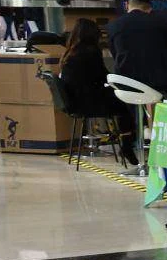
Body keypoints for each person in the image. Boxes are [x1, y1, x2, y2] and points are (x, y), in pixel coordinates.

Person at [58, 18, 139, 167]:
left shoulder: (70, 52)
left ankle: (125, 141)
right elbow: (103, 76)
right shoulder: (91, 52)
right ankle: (127, 143)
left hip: (75, 101)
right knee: (125, 104)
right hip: (89, 102)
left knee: (119, 101)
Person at [106, 0, 167, 95]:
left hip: (128, 85)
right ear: (150, 8)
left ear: (126, 5)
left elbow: (115, 54)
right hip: (161, 84)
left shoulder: (113, 26)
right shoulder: (161, 23)